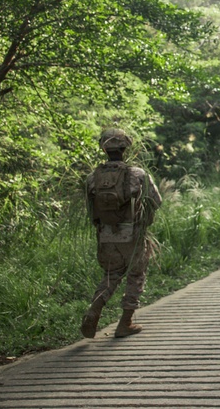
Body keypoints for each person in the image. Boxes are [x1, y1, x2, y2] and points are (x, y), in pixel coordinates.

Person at [81, 128, 163, 339]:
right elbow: (157, 201)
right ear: (125, 148)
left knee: (110, 276)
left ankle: (94, 310)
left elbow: (90, 210)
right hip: (132, 234)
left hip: (106, 235)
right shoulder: (137, 174)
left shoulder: (92, 178)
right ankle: (125, 322)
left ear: (104, 149)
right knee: (136, 276)